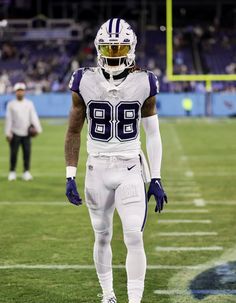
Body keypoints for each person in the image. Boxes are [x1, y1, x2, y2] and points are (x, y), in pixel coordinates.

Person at [65, 18, 167, 303]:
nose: (113, 54)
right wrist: (70, 174)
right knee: (102, 236)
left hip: (130, 167)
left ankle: (134, 300)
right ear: (98, 48)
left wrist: (155, 177)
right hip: (96, 168)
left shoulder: (144, 81)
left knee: (134, 236)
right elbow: (73, 130)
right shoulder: (83, 79)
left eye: (119, 47)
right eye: (108, 48)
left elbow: (153, 133)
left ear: (131, 48)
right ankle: (108, 295)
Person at [5, 82, 42, 181]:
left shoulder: (29, 103)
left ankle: (26, 172)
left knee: (27, 153)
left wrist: (38, 129)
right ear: (15, 92)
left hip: (26, 133)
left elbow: (33, 116)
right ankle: (12, 172)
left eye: (21, 90)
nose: (20, 92)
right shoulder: (11, 104)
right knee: (13, 153)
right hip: (15, 132)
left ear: (24, 92)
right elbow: (9, 119)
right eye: (18, 91)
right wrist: (8, 133)